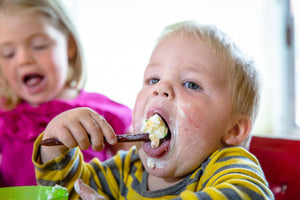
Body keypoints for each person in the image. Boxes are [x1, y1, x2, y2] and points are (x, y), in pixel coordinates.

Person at [32, 20, 274, 199]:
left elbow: (249, 194)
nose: (161, 90)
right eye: (153, 79)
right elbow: (65, 193)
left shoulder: (227, 164)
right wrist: (57, 144)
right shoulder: (127, 169)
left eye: (191, 84)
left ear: (233, 129)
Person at [0, 0, 132, 187]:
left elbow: (142, 162)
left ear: (69, 46)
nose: (23, 60)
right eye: (8, 53)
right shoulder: (6, 119)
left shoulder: (100, 110)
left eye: (39, 45)